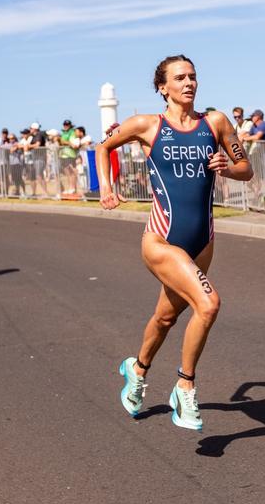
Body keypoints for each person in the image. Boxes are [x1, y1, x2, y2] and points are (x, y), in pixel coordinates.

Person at [96, 54, 253, 432]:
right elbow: (103, 148)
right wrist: (106, 186)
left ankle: (137, 369)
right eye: (180, 78)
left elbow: (246, 169)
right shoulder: (147, 125)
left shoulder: (215, 123)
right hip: (162, 239)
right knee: (209, 303)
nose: (189, 83)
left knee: (167, 317)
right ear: (162, 87)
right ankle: (185, 387)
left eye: (193, 77)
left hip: (202, 241)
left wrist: (226, 167)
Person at [241, 109, 265, 209]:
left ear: (258, 116)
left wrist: (245, 138)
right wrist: (242, 136)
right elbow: (248, 134)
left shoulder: (263, 125)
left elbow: (257, 137)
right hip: (262, 155)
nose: (252, 118)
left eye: (253, 116)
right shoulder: (254, 126)